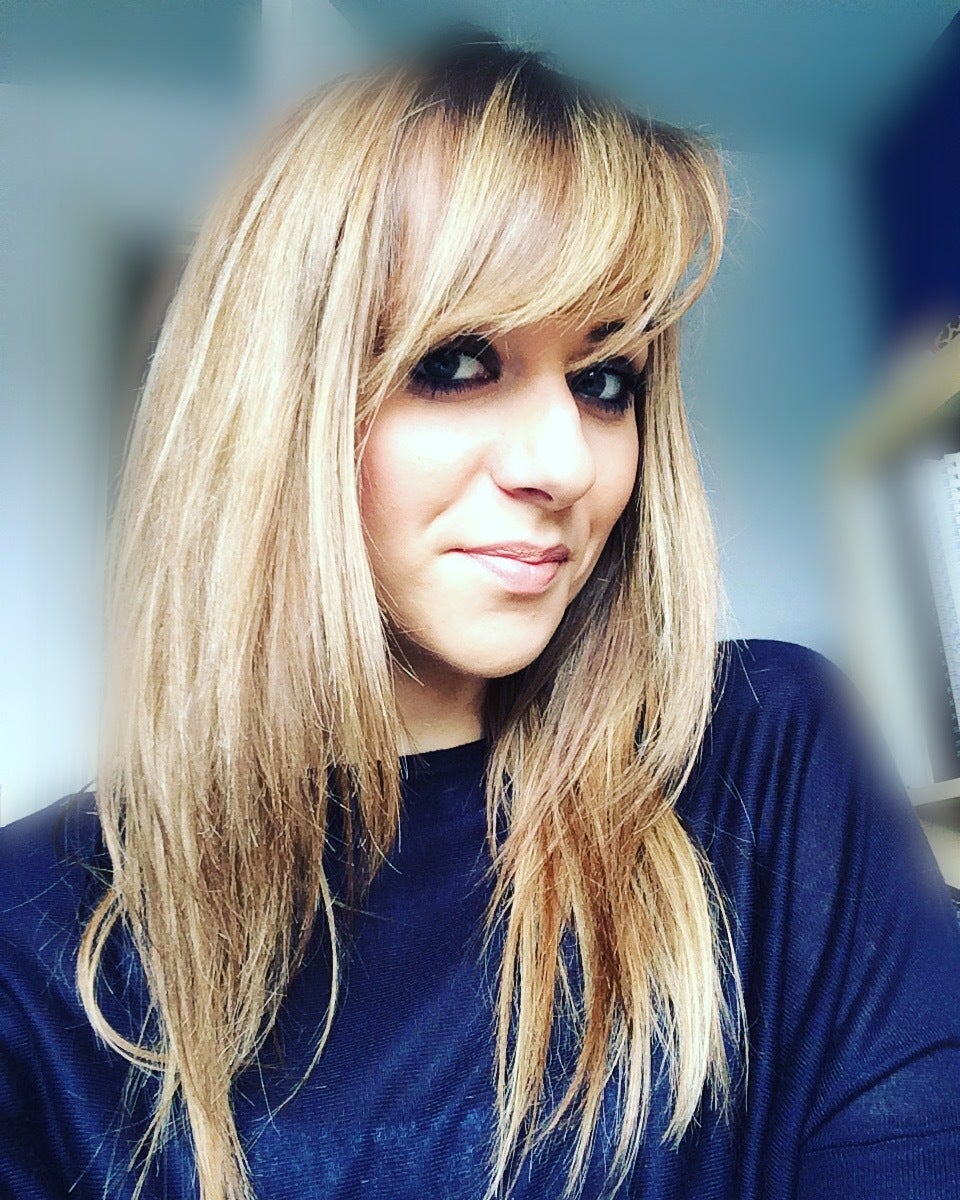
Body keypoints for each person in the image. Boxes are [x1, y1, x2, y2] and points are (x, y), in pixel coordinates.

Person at [2, 26, 960, 1200]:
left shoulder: (766, 759)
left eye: (605, 379)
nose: (564, 463)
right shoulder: (34, 939)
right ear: (277, 411)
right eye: (455, 363)